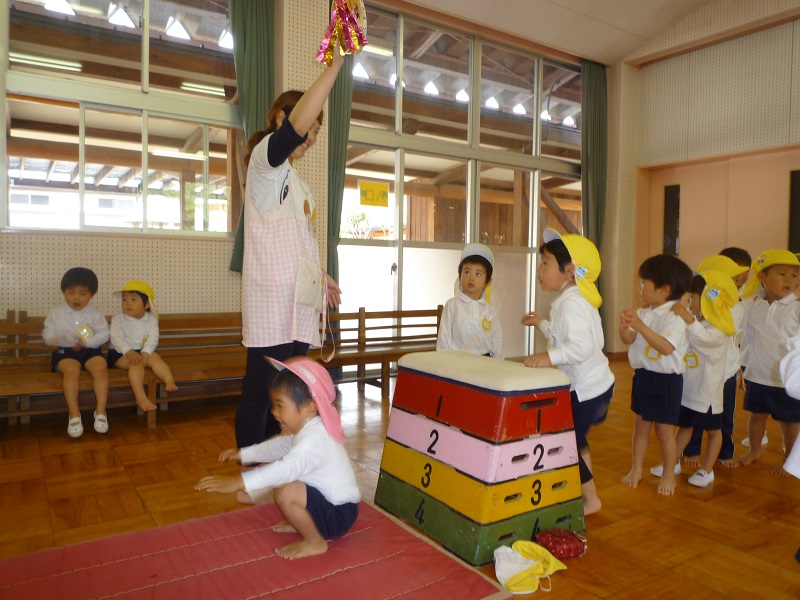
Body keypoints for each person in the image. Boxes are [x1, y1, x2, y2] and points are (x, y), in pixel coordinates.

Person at [237, 48, 345, 448]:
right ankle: (250, 465)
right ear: (284, 120)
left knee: (285, 394)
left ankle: (273, 457)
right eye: (310, 130)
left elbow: (301, 242)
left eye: (316, 133)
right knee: (259, 394)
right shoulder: (265, 164)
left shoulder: (296, 182)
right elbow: (293, 132)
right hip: (271, 305)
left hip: (297, 302)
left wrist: (324, 277)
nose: (312, 139)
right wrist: (334, 66)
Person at [196, 357, 360, 560]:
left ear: (310, 407)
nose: (274, 412)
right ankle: (306, 520)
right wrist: (244, 453)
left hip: (338, 516)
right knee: (285, 481)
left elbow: (286, 467)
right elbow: (279, 446)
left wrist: (240, 482)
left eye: (280, 405)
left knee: (287, 490)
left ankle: (315, 542)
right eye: (273, 405)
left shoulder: (315, 438)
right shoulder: (307, 428)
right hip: (329, 506)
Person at [522, 229, 614, 515]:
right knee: (577, 437)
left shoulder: (572, 304)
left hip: (588, 390)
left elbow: (582, 348)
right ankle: (584, 491)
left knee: (568, 440)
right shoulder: (570, 300)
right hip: (595, 386)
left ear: (569, 270)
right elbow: (564, 338)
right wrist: (542, 324)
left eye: (545, 263)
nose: (540, 269)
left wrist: (548, 357)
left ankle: (590, 499)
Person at [619, 254, 692, 495]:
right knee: (640, 427)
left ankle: (669, 474)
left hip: (666, 381)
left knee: (664, 432)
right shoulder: (645, 312)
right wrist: (626, 329)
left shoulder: (675, 317)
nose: (639, 288)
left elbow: (666, 347)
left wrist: (640, 325)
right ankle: (636, 468)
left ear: (664, 289)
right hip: (643, 377)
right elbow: (630, 340)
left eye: (643, 283)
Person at [663, 271, 737, 487]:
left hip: (708, 396)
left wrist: (687, 320)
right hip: (689, 392)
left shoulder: (718, 331)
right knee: (684, 427)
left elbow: (705, 340)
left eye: (692, 298)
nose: (689, 303)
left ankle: (707, 470)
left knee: (714, 432)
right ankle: (672, 463)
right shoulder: (694, 322)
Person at [682, 255, 749, 468]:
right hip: (699, 371)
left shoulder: (737, 307)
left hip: (727, 370)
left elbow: (740, 335)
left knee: (722, 416)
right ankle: (691, 449)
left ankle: (724, 451)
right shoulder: (700, 310)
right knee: (694, 411)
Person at [737, 249, 800, 474]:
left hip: (787, 380)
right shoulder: (753, 306)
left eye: (794, 275)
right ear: (762, 277)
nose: (789, 280)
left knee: (790, 423)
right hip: (757, 374)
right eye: (782, 274)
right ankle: (754, 450)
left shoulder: (797, 308)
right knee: (756, 418)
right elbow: (744, 338)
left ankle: (788, 459)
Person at [42, 267, 110, 438]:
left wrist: (87, 342)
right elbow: (47, 335)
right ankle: (74, 415)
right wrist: (54, 340)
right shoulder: (55, 313)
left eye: (82, 293)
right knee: (72, 370)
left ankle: (100, 412)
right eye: (71, 292)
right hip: (65, 353)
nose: (76, 297)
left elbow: (104, 334)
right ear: (64, 292)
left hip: (90, 351)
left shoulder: (95, 314)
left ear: (92, 294)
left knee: (101, 366)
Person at [108, 280, 178, 412]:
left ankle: (169, 380)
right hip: (120, 353)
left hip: (142, 351)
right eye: (124, 299)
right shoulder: (118, 318)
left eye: (133, 299)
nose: (127, 303)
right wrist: (129, 352)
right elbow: (116, 338)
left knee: (155, 357)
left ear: (146, 304)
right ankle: (140, 397)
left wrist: (146, 352)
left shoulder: (151, 318)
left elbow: (153, 338)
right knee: (136, 362)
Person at [437, 243, 503, 358]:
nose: (471, 277)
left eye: (478, 274)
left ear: (488, 282)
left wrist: (499, 364)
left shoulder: (491, 311)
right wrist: (442, 363)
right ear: (460, 276)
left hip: (484, 362)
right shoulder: (452, 305)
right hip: (456, 361)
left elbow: (496, 339)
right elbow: (444, 336)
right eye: (467, 272)